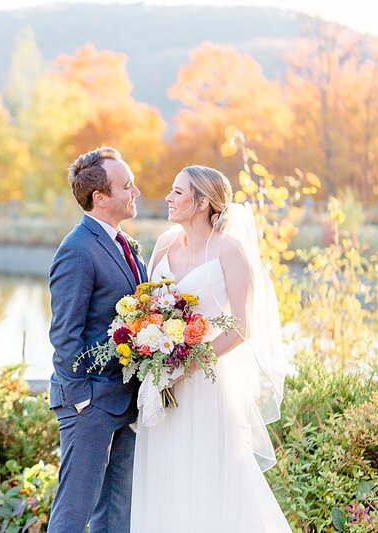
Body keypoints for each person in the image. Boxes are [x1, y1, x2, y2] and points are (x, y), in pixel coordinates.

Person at [130, 165, 291, 532]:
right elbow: (146, 305)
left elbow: (239, 327)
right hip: (159, 383)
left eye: (177, 193)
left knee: (207, 475)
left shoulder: (229, 251)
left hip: (204, 383)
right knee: (165, 473)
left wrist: (185, 364)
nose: (168, 199)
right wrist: (150, 348)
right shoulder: (165, 243)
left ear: (202, 202)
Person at [48, 146, 148, 533]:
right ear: (100, 198)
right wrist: (81, 400)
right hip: (88, 404)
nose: (136, 191)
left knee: (116, 515)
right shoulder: (77, 249)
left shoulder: (124, 244)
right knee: (73, 516)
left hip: (124, 399)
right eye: (127, 186)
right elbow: (64, 333)